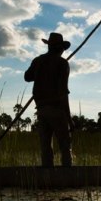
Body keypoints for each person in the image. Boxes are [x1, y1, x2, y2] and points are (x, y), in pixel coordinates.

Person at [24, 32, 74, 167]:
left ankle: (47, 176)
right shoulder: (62, 64)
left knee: (46, 147)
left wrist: (42, 72)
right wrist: (69, 119)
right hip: (56, 109)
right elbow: (63, 92)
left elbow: (27, 77)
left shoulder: (38, 61)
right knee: (65, 145)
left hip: (41, 109)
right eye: (62, 48)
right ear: (59, 48)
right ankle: (67, 176)